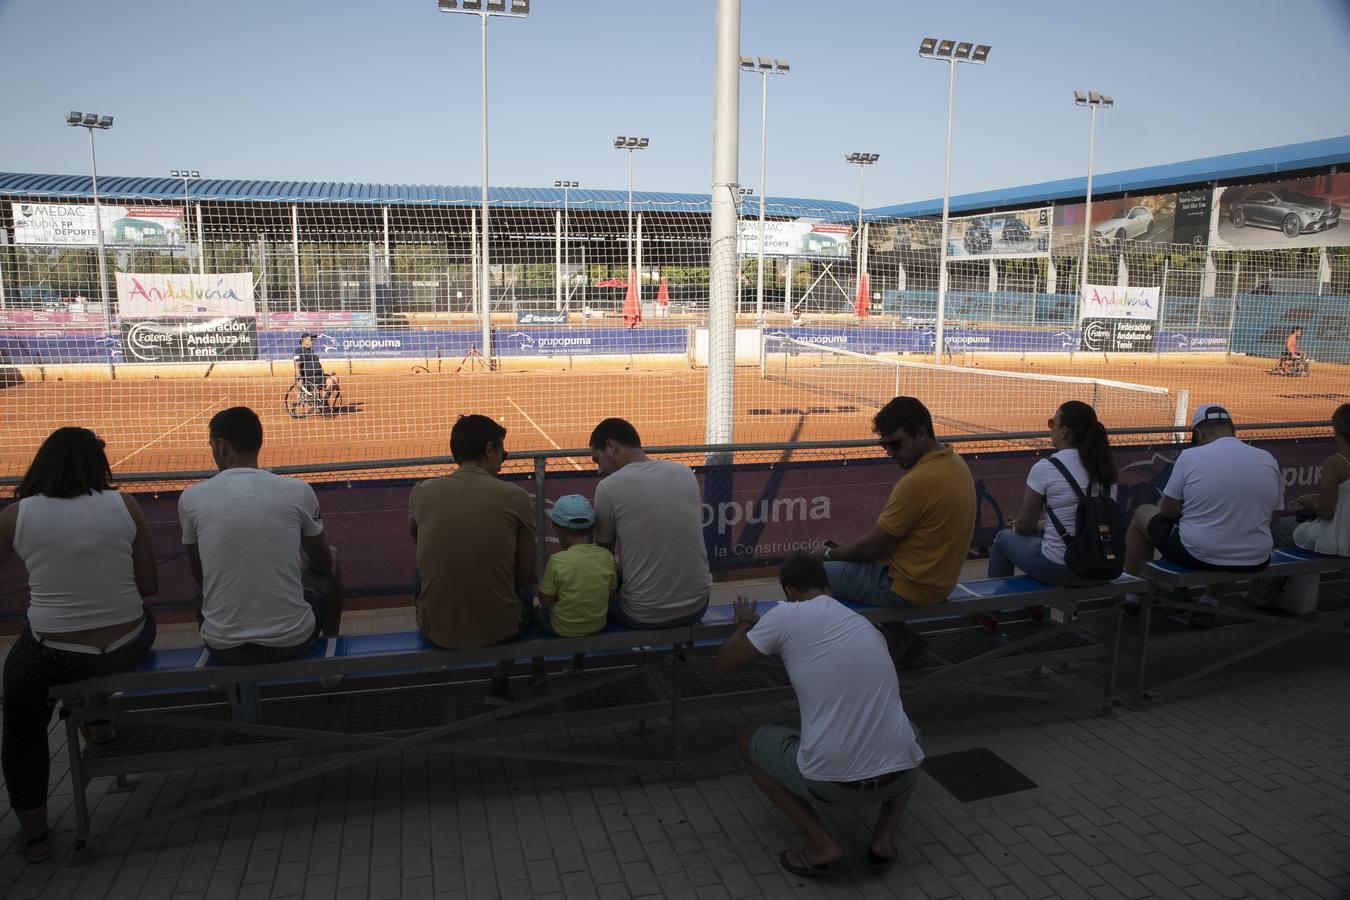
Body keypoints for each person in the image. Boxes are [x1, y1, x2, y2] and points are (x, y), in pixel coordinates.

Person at [0, 428, 159, 863]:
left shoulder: (17, 515)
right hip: (128, 642)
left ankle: (34, 835)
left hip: (54, 652)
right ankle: (99, 721)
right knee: (108, 644)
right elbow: (149, 584)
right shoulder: (125, 505)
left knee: (21, 719)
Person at [715, 553, 924, 878]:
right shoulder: (862, 623)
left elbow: (726, 662)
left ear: (788, 592)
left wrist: (744, 623)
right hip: (901, 775)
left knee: (748, 742)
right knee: (907, 733)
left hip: (831, 782)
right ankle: (883, 839)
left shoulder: (785, 614)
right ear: (827, 586)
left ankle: (821, 845)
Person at [813, 396, 975, 661]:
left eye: (895, 444)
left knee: (808, 575)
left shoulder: (917, 482)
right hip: (937, 583)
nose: (889, 452)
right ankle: (900, 638)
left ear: (922, 434)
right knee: (849, 564)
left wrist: (827, 555)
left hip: (907, 588)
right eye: (884, 445)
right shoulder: (955, 463)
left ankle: (826, 660)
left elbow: (874, 545)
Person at [179, 407, 342, 665]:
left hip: (224, 646)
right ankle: (331, 655)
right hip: (290, 641)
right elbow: (323, 563)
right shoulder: (298, 491)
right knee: (333, 554)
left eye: (211, 444)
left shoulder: (191, 497)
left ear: (222, 446)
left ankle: (218, 672)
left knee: (206, 585)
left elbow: (200, 575)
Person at [410, 414, 535, 706]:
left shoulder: (421, 492)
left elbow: (418, 544)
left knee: (421, 575)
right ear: (489, 450)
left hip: (435, 630)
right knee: (528, 593)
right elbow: (525, 576)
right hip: (502, 629)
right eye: (503, 453)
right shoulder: (516, 497)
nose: (503, 461)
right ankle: (501, 683)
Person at [1124, 404, 1282, 623]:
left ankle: (1133, 595)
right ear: (1232, 429)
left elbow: (1168, 511)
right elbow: (1274, 518)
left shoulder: (1190, 457)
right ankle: (1209, 602)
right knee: (1232, 528)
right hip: (1255, 558)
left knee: (1143, 512)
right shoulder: (1267, 458)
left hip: (1198, 553)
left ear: (1198, 432)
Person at [590, 418, 710, 628]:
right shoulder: (685, 473)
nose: (599, 469)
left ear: (611, 446)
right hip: (698, 605)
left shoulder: (608, 487)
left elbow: (604, 557)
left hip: (644, 615)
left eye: (597, 459)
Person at [986, 401, 1118, 582]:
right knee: (1040, 542)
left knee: (1003, 539)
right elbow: (1083, 519)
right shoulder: (1105, 467)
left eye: (1052, 423)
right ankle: (1034, 607)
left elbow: (1024, 526)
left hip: (1065, 568)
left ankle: (994, 609)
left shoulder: (1047, 468)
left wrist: (1016, 526)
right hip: (1103, 567)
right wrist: (1041, 526)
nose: (1051, 428)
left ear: (1064, 431)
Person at [529, 494, 616, 683]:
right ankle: (577, 662)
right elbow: (610, 594)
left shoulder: (558, 561)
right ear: (592, 527)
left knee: (535, 608)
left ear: (557, 529)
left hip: (562, 627)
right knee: (583, 603)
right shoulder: (606, 556)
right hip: (596, 624)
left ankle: (538, 670)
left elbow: (545, 601)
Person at [294, 332, 341, 411]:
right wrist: (300, 379)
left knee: (335, 379)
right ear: (304, 340)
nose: (312, 341)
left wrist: (326, 374)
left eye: (313, 340)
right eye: (310, 339)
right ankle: (322, 404)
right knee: (332, 381)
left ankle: (323, 402)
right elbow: (297, 366)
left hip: (319, 376)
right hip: (310, 379)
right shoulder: (299, 351)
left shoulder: (311, 352)